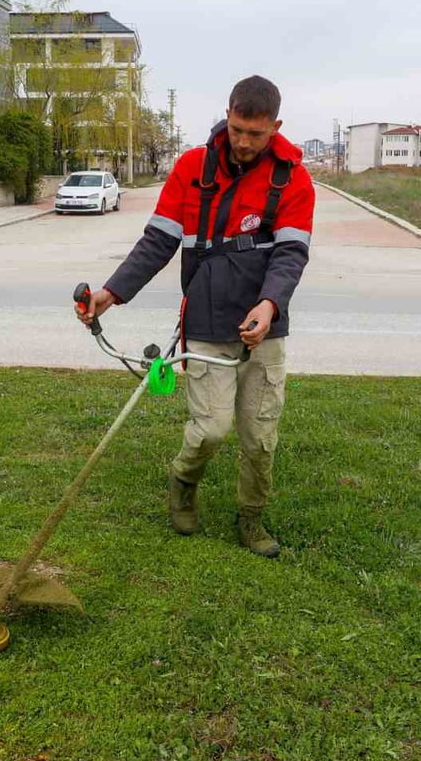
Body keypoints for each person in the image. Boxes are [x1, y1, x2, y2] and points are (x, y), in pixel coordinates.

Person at [75, 75, 314, 558]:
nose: (244, 142)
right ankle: (183, 479)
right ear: (227, 115)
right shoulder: (191, 168)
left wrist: (269, 306)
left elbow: (291, 255)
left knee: (260, 436)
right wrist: (112, 293)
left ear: (276, 127)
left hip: (265, 325)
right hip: (204, 319)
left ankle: (251, 518)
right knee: (211, 429)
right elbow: (157, 242)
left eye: (256, 133)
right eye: (238, 129)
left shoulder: (293, 178)